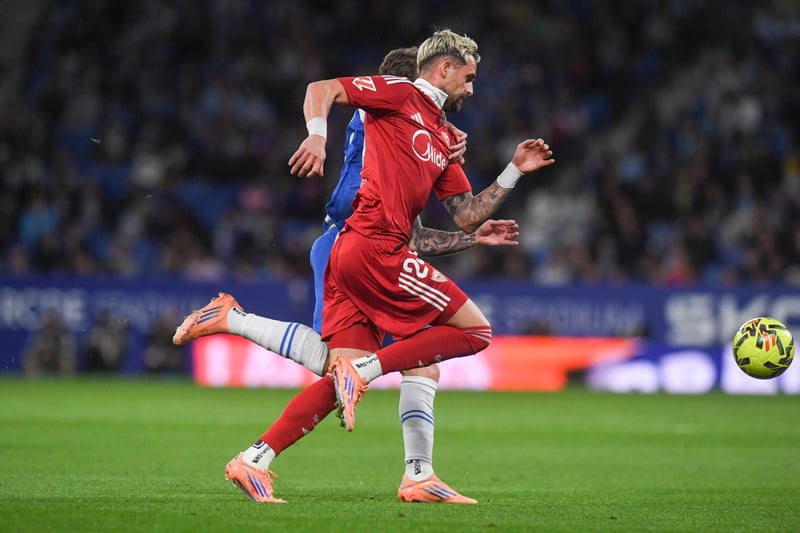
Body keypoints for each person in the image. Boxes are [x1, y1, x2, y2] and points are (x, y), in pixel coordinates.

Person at [174, 47, 521, 503]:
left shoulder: (420, 135)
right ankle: (234, 320)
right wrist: (317, 136)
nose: (469, 91)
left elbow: (424, 232)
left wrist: (471, 227)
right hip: (355, 241)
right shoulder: (392, 108)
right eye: (465, 79)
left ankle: (263, 458)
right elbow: (329, 92)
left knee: (391, 366)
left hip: (367, 243)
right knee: (348, 366)